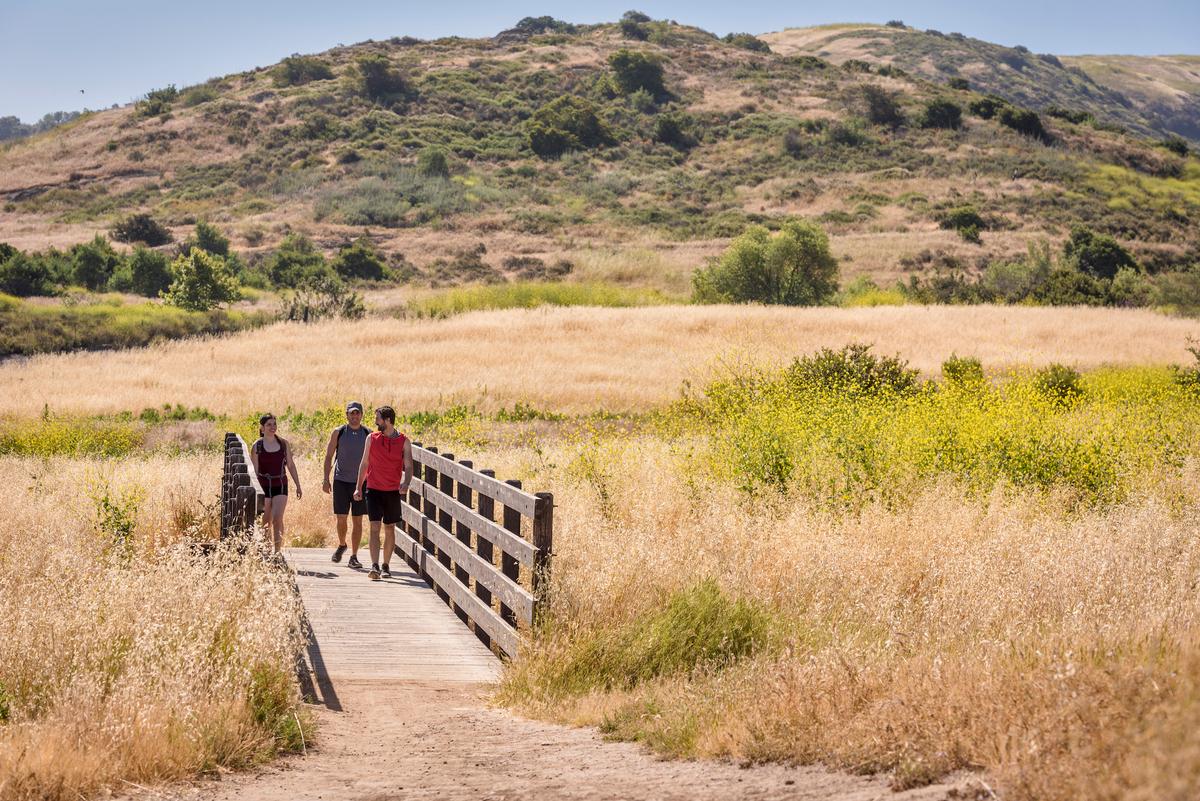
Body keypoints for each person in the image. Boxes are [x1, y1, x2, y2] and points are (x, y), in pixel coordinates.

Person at [352, 405, 413, 581]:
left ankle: (386, 565)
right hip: (373, 489)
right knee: (374, 527)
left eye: (378, 418)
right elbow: (364, 463)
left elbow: (408, 466)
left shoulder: (404, 441)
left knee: (390, 528)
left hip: (392, 490)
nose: (375, 421)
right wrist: (358, 486)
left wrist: (406, 482)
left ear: (387, 420)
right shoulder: (372, 438)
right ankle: (375, 565)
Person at [322, 401, 369, 568]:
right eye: (352, 413)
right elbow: (328, 456)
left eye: (357, 413)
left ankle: (354, 556)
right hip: (341, 481)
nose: (354, 416)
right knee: (341, 519)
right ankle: (342, 544)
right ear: (347, 415)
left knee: (358, 520)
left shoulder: (367, 434)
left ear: (361, 415)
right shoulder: (339, 432)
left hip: (360, 483)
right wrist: (326, 479)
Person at [249, 413, 302, 554]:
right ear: (262, 428)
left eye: (274, 424)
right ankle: (267, 551)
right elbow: (254, 470)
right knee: (266, 521)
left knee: (278, 518)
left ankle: (277, 552)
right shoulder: (257, 446)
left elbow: (290, 465)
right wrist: (254, 490)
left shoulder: (283, 444)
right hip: (263, 485)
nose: (272, 427)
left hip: (280, 483)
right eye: (269, 425)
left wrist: (298, 485)